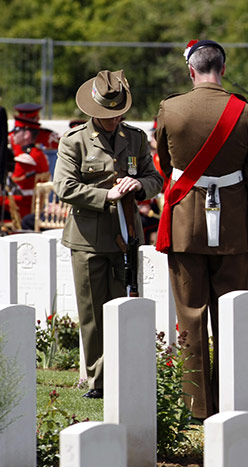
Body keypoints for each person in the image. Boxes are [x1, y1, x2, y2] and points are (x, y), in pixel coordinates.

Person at [155, 39, 248, 420]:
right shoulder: (245, 111)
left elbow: (165, 164)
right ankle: (233, 401)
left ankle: (196, 406)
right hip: (235, 226)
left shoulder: (170, 109)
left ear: (192, 70)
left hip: (186, 224)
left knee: (190, 314)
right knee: (231, 315)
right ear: (222, 68)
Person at [53, 69, 163, 398]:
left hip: (128, 235)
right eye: (107, 116)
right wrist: (106, 196)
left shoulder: (137, 138)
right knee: (93, 315)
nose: (114, 121)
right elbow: (64, 186)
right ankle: (98, 380)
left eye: (118, 115)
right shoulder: (74, 141)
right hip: (88, 240)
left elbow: (155, 179)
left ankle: (121, 372)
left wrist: (139, 185)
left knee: (123, 307)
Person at [3, 116, 50, 220]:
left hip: (21, 209)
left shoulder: (26, 159)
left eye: (16, 131)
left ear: (26, 134)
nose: (13, 135)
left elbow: (17, 192)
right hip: (30, 206)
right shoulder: (40, 155)